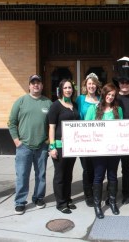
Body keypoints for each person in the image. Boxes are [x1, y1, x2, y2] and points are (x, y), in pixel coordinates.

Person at [8, 74, 52, 215]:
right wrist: (17, 141)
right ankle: (20, 202)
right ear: (29, 85)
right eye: (33, 83)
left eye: (38, 82)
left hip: (41, 146)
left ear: (42, 85)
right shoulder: (21, 101)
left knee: (41, 175)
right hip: (24, 146)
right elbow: (12, 123)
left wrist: (48, 142)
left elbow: (52, 124)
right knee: (22, 175)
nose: (35, 85)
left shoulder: (48, 103)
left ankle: (38, 198)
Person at [85, 83, 123, 219]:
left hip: (114, 150)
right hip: (99, 151)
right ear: (103, 94)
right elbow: (86, 128)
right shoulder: (93, 109)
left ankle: (112, 201)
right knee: (99, 176)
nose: (110, 97)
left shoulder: (117, 109)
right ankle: (97, 205)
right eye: (108, 94)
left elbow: (122, 128)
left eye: (113, 95)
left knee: (113, 175)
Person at [48, 79, 79, 214]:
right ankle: (61, 203)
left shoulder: (75, 105)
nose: (68, 90)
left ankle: (67, 198)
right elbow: (51, 127)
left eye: (70, 88)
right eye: (65, 88)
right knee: (60, 175)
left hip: (72, 147)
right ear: (61, 90)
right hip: (60, 146)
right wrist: (52, 146)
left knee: (68, 174)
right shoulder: (55, 106)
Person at [112, 56, 129, 205]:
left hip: (128, 137)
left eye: (127, 82)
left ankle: (126, 193)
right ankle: (112, 193)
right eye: (122, 82)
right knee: (112, 168)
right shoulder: (113, 97)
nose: (124, 84)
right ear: (118, 83)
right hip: (114, 137)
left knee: (126, 168)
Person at [75, 72, 101, 207]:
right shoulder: (80, 99)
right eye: (89, 83)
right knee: (87, 168)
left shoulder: (101, 99)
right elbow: (75, 116)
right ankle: (88, 194)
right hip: (84, 139)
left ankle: (96, 191)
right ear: (86, 85)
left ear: (97, 85)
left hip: (98, 139)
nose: (91, 86)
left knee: (97, 168)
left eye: (94, 84)